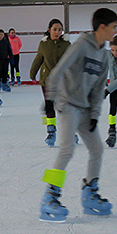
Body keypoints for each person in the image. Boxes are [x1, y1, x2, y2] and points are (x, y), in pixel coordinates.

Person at [38, 8, 117, 222]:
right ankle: (49, 196)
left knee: (97, 149)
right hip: (67, 103)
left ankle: (90, 193)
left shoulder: (104, 54)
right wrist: (50, 98)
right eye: (113, 27)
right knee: (67, 149)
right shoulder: (81, 45)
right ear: (102, 27)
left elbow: (99, 88)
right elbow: (58, 70)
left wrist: (95, 114)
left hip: (85, 108)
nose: (115, 31)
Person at [29, 19, 71, 147]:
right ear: (49, 30)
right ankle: (51, 132)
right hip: (47, 79)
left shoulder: (66, 45)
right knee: (49, 105)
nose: (57, 32)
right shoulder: (44, 44)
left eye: (60, 30)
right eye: (55, 29)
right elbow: (38, 59)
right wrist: (32, 73)